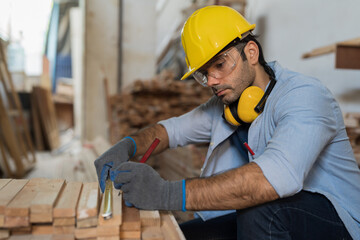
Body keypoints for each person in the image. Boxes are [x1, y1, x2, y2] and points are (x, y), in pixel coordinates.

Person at [94, 5, 360, 240]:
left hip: (342, 223)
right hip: (276, 213)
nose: (211, 81)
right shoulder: (227, 103)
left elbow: (273, 179)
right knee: (181, 236)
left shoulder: (305, 96)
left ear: (251, 53)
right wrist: (127, 146)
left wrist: (165, 193)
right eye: (204, 73)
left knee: (259, 210)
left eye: (220, 65)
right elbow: (167, 131)